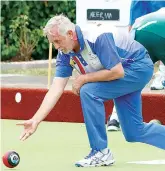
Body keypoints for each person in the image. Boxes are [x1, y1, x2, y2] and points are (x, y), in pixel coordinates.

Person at [17, 15, 165, 167]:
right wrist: (35, 120)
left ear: (70, 34)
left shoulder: (97, 36)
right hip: (124, 73)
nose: (56, 47)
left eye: (57, 41)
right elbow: (56, 88)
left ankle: (100, 152)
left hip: (137, 67)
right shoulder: (65, 53)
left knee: (88, 91)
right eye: (52, 43)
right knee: (134, 132)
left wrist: (84, 78)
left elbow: (117, 72)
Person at [107, 1, 165, 131]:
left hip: (141, 31)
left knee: (128, 74)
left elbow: (133, 26)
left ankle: (116, 119)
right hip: (155, 32)